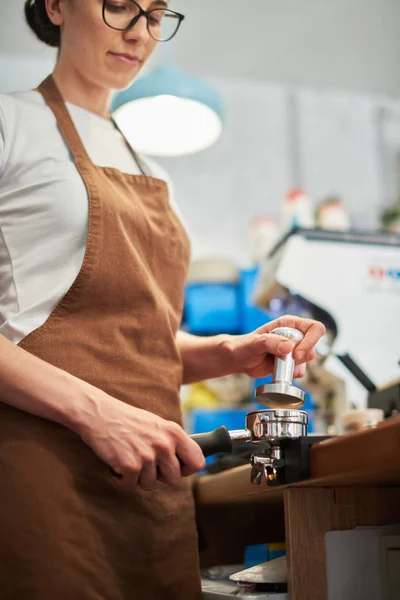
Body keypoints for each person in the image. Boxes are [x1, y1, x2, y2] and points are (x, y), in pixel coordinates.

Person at [0, 1, 326, 598]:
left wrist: (230, 349)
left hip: (152, 476)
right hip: (40, 463)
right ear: (56, 5)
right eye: (119, 6)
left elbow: (141, 339)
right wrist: (96, 414)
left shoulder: (149, 167)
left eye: (155, 15)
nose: (140, 33)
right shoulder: (9, 121)